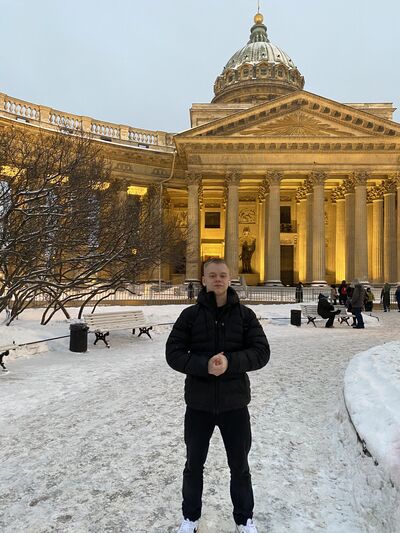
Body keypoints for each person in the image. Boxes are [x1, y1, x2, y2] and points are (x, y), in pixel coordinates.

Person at [166, 258, 270, 533]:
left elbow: (262, 352)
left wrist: (230, 362)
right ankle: (190, 518)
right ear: (203, 280)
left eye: (222, 275)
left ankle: (244, 519)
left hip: (234, 404)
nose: (218, 280)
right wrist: (204, 365)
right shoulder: (189, 316)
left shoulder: (245, 316)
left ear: (230, 278)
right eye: (212, 275)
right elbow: (173, 353)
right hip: (198, 404)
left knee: (240, 465)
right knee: (193, 465)